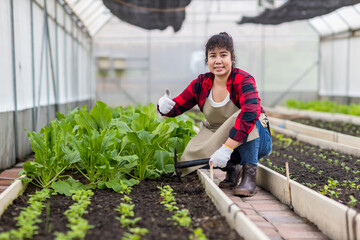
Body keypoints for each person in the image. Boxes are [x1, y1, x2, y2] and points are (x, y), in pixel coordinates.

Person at [157, 32, 272, 197]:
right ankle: (232, 168)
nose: (218, 61)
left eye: (223, 55)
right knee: (189, 162)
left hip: (256, 138)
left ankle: (249, 174)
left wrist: (226, 148)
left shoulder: (243, 80)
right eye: (212, 56)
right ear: (207, 60)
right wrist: (164, 106)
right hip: (219, 133)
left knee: (247, 116)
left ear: (232, 57)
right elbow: (177, 107)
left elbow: (251, 112)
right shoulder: (202, 83)